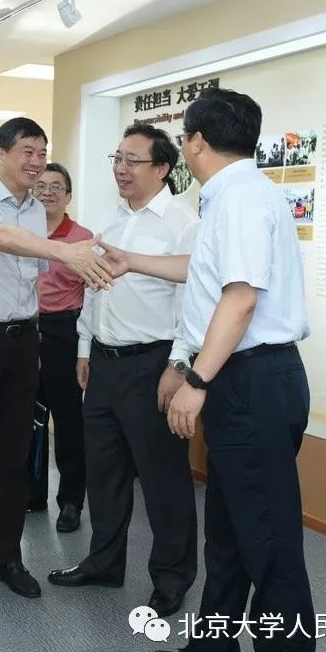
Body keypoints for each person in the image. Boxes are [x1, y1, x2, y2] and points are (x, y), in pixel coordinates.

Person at [96, 89, 314, 652]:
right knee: (229, 530)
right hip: (243, 377)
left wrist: (195, 377)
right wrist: (134, 261)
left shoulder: (238, 198)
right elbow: (206, 273)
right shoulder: (236, 193)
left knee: (268, 541)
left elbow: (240, 300)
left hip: (252, 379)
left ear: (195, 142)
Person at [0, 117, 113, 599]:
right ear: (1, 153)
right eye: (27, 152)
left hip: (22, 341)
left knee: (15, 457)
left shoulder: (37, 209)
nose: (36, 162)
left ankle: (7, 558)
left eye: (42, 152)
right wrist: (65, 251)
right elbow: (2, 238)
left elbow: (31, 272)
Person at [48, 125, 199, 621]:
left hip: (153, 365)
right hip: (104, 363)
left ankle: (171, 579)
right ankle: (104, 562)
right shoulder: (109, 221)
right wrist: (84, 347)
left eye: (133, 160)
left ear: (163, 168)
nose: (121, 169)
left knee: (162, 480)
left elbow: (192, 303)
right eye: (118, 158)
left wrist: (178, 365)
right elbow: (94, 288)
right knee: (104, 474)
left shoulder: (183, 224)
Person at [26, 163, 90, 532]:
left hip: (64, 330)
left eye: (56, 187)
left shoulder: (82, 238)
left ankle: (70, 501)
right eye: (41, 186)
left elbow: (93, 296)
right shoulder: (21, 233)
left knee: (68, 423)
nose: (47, 192)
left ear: (68, 196)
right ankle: (32, 494)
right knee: (27, 419)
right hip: (24, 329)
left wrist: (84, 351)